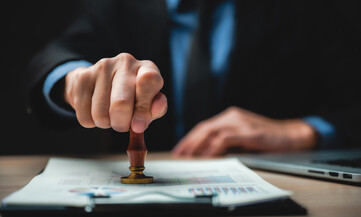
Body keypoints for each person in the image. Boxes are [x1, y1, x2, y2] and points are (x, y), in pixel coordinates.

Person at [25, 0, 361, 156]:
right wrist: (75, 82)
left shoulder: (302, 9)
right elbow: (55, 57)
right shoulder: (117, 6)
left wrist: (301, 131)